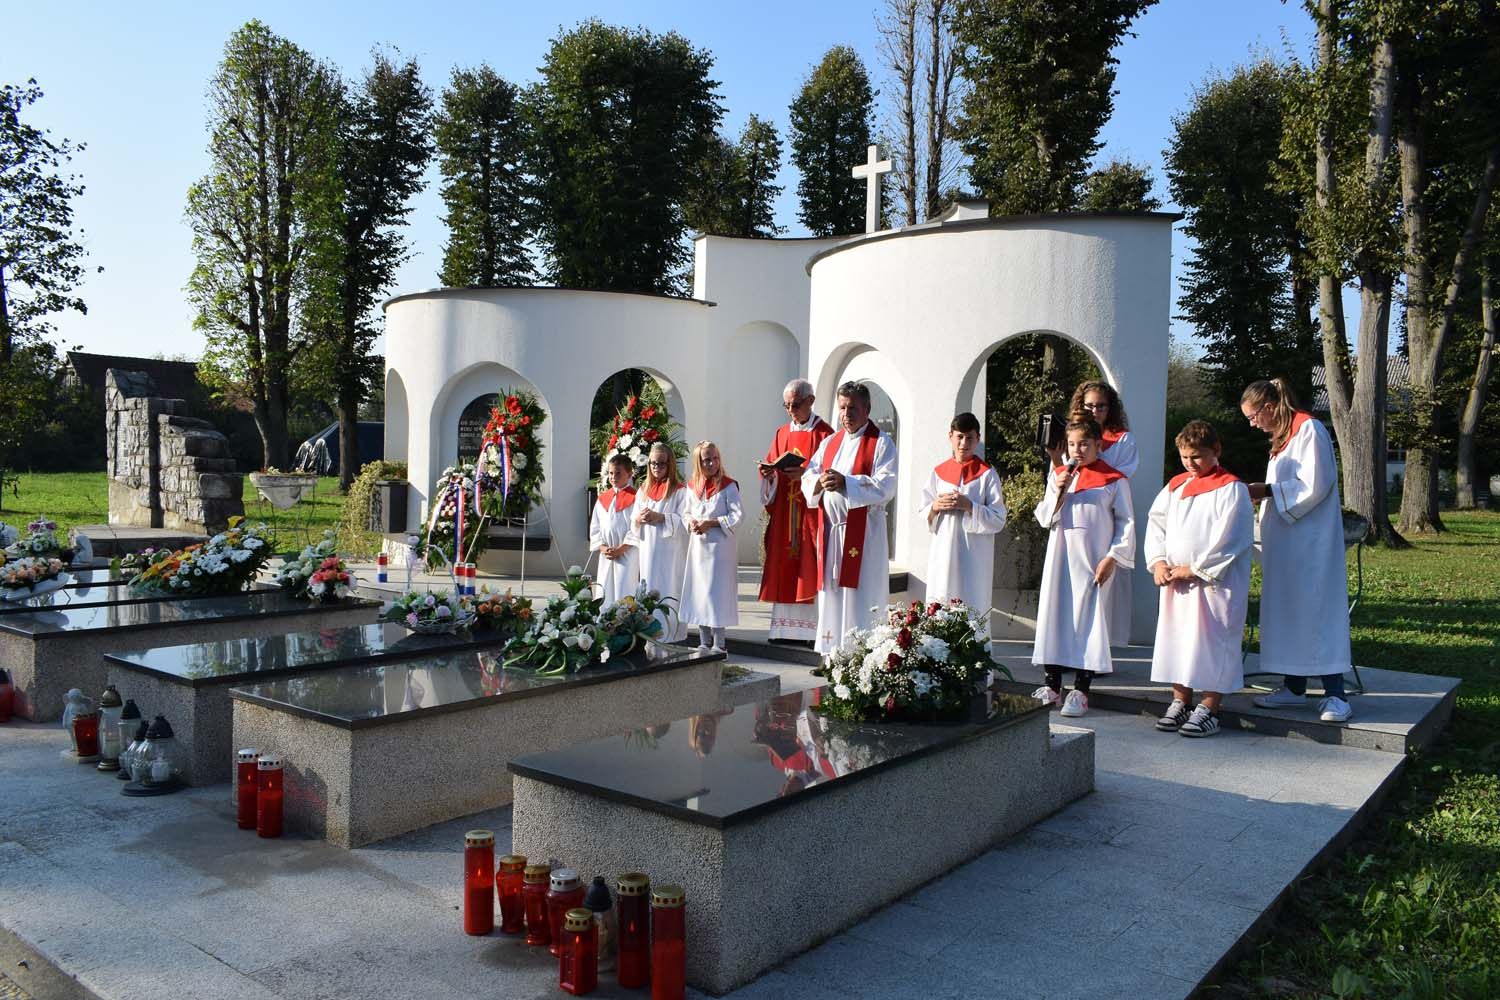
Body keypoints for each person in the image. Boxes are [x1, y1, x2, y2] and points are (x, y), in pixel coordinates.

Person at [1241, 378, 1355, 723]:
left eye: (1253, 416)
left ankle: (1336, 694)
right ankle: (1293, 688)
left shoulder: (1309, 430)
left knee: (1316, 610)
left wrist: (1267, 490)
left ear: (1270, 407)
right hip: (1286, 543)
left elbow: (1315, 484)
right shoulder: (1282, 438)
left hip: (1311, 543)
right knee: (1289, 611)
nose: (1252, 424)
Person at [1145, 420, 1254, 738]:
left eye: (1197, 456)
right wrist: (1159, 562)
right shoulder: (1175, 486)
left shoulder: (1231, 488)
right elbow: (1156, 524)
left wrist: (1194, 568)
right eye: (1184, 457)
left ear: (1216, 450)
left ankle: (1209, 708)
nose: (1190, 463)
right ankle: (1180, 700)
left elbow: (1232, 537)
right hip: (1176, 583)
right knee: (1179, 638)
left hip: (1214, 584)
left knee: (1212, 640)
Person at [1031, 414, 1136, 717]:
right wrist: (1058, 490)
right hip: (1060, 558)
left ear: (1098, 445)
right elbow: (1045, 518)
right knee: (1054, 616)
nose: (1077, 450)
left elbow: (1126, 522)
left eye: (1084, 444)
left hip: (1093, 560)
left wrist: (1113, 557)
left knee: (1089, 621)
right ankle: (1052, 686)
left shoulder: (1114, 480)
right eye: (1072, 444)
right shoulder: (1060, 476)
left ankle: (1081, 690)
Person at [800, 381, 899, 654]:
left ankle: (859, 657)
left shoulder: (881, 443)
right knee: (832, 594)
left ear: (867, 408)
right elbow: (809, 476)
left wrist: (847, 483)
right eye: (842, 407)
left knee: (860, 596)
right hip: (832, 532)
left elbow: (886, 485)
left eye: (852, 407)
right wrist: (818, 483)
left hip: (863, 536)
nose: (846, 414)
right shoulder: (830, 442)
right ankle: (832, 655)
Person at [757, 378, 834, 644]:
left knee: (808, 563)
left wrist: (806, 476)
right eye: (787, 405)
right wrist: (769, 474)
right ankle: (783, 631)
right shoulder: (781, 433)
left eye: (796, 404)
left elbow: (832, 474)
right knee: (784, 563)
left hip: (810, 513)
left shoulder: (825, 434)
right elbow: (771, 467)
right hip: (785, 511)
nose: (791, 410)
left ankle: (809, 632)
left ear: (811, 401)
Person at [919, 412, 1008, 618]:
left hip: (973, 556)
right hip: (943, 553)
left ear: (978, 439)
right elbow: (924, 510)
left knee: (971, 605)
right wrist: (935, 506)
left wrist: (970, 506)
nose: (964, 443)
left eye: (969, 438)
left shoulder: (987, 474)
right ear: (950, 436)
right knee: (941, 602)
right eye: (959, 437)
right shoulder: (938, 473)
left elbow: (998, 519)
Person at [679, 441, 742, 652]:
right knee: (700, 593)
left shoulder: (728, 486)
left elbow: (737, 515)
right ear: (698, 462)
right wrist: (692, 522)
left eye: (715, 458)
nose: (712, 463)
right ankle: (704, 641)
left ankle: (719, 644)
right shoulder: (692, 487)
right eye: (706, 459)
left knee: (717, 594)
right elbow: (686, 512)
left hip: (720, 549)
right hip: (699, 549)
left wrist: (712, 523)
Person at [628, 441, 689, 643]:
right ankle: (650, 634)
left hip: (670, 554)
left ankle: (671, 635)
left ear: (670, 464)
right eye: (653, 463)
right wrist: (638, 519)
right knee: (649, 590)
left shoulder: (680, 491)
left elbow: (684, 521)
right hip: (648, 551)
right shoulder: (643, 490)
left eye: (661, 463)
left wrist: (660, 517)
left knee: (669, 589)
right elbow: (633, 520)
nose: (656, 467)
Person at [589, 453, 639, 604]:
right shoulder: (603, 498)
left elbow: (637, 527)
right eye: (611, 473)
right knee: (605, 590)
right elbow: (595, 526)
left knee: (624, 590)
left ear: (629, 474)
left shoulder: (636, 498)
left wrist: (621, 549)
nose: (613, 477)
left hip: (627, 553)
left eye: (618, 473)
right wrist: (602, 547)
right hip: (607, 553)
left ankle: (625, 618)